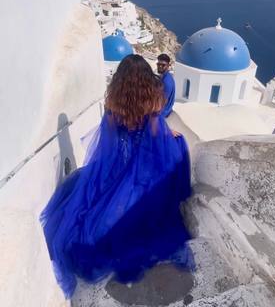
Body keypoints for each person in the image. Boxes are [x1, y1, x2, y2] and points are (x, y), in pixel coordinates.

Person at [40, 54, 193, 299]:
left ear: (120, 79)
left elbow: (108, 143)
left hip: (118, 163)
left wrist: (113, 171)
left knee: (92, 207)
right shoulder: (151, 102)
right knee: (180, 144)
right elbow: (156, 138)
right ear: (146, 79)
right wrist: (170, 134)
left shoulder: (113, 103)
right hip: (142, 165)